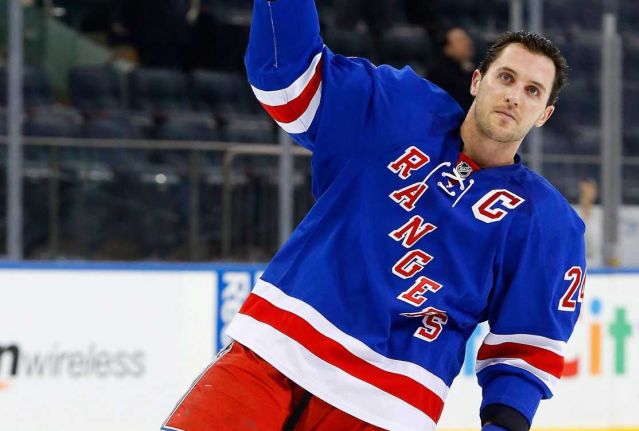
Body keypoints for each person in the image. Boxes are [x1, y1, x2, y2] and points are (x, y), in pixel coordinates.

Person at [163, 1, 585, 430]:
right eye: (506, 77)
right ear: (477, 81)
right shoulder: (397, 109)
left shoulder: (544, 221)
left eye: (533, 91)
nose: (514, 96)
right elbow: (288, 80)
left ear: (544, 115)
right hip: (275, 349)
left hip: (387, 406)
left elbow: (525, 350)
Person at [427, 26, 477, 112]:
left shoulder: (474, 68)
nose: (467, 43)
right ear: (447, 49)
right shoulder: (439, 73)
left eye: (467, 39)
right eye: (460, 40)